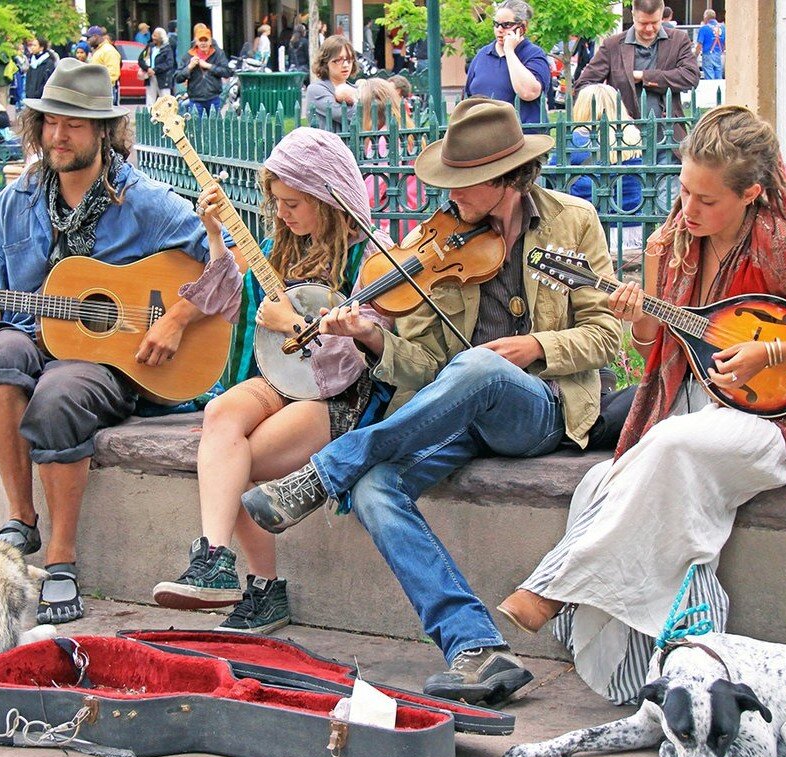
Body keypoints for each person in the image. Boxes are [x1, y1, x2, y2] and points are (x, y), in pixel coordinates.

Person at [240, 98, 621, 704]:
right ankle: (475, 646)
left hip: (544, 409)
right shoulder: (431, 243)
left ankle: (324, 472)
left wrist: (535, 345)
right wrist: (369, 336)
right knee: (373, 488)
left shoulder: (573, 222)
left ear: (503, 179)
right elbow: (421, 368)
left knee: (479, 365)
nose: (449, 198)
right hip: (457, 413)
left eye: (462, 185)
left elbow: (610, 335)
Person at [500, 106, 786, 705]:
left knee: (670, 447)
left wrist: (768, 350)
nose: (690, 209)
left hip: (775, 418)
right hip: (692, 404)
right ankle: (644, 674)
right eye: (684, 190)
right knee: (601, 481)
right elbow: (655, 343)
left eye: (707, 200)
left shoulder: (782, 245)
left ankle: (557, 585)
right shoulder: (670, 242)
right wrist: (640, 315)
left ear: (751, 193)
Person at [0, 59, 215, 624]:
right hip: (31, 338)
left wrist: (175, 319)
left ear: (103, 132)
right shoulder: (13, 205)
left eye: (73, 124)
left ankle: (62, 561)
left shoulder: (141, 199)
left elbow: (224, 266)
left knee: (60, 392)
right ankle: (20, 522)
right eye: (49, 122)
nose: (58, 136)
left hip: (111, 359)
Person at [151, 128, 395, 633]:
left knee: (238, 464)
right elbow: (221, 298)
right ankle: (215, 560)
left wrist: (292, 324)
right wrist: (216, 235)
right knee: (220, 416)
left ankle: (265, 589)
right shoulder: (277, 249)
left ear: (330, 200)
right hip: (279, 379)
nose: (282, 214)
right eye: (276, 202)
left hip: (341, 396)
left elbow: (360, 355)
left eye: (294, 204)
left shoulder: (368, 258)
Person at [575, 0, 699, 159]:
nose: (649, 28)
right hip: (624, 144)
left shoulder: (678, 40)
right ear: (633, 16)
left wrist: (644, 76)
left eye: (655, 22)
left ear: (662, 15)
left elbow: (691, 76)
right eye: (643, 23)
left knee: (668, 183)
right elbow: (583, 86)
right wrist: (608, 104)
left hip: (668, 140)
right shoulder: (613, 45)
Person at [556, 83, 643, 252]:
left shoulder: (575, 140)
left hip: (591, 232)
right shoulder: (636, 137)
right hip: (634, 229)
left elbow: (552, 178)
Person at [464, 0, 550, 127]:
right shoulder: (483, 55)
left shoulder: (533, 54)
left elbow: (528, 93)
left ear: (522, 27)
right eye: (496, 24)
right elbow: (467, 96)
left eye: (506, 25)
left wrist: (509, 51)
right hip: (483, 136)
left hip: (523, 138)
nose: (499, 30)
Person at [359, 78, 422, 238]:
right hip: (412, 214)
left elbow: (373, 191)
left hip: (391, 222)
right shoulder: (407, 130)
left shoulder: (384, 139)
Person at [175, 25, 231, 116]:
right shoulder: (188, 56)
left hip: (214, 98)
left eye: (206, 40)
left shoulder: (218, 54)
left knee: (214, 127)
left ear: (210, 41)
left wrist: (209, 66)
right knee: (197, 128)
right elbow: (178, 78)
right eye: (201, 40)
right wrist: (189, 67)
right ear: (196, 42)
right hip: (195, 99)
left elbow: (227, 72)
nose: (203, 43)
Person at [306, 35, 358, 131]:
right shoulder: (316, 89)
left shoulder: (355, 88)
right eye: (338, 60)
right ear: (325, 62)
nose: (346, 65)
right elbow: (341, 114)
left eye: (349, 59)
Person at [138, 26, 175, 106]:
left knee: (165, 100)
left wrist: (155, 70)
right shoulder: (150, 47)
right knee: (150, 100)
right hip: (150, 77)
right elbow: (141, 59)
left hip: (163, 78)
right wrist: (147, 69)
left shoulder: (167, 49)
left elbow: (169, 64)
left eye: (155, 36)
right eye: (153, 35)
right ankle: (150, 116)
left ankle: (166, 117)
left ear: (161, 37)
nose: (153, 37)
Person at [86, 25, 122, 104]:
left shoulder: (108, 50)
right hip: (96, 90)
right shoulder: (98, 50)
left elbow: (113, 74)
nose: (87, 41)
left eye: (88, 38)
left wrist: (99, 84)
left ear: (95, 36)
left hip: (105, 92)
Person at [695, 9, 726, 80]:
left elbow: (699, 45)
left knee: (709, 78)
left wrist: (695, 56)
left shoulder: (704, 28)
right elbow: (725, 43)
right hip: (719, 55)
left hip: (708, 55)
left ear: (706, 17)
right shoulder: (723, 28)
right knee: (719, 76)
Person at [25, 36, 57, 100]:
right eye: (31, 45)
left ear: (41, 48)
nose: (32, 47)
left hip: (41, 98)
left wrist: (38, 94)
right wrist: (28, 92)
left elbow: (47, 81)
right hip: (30, 96)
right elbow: (28, 79)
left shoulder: (48, 62)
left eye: (34, 45)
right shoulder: (32, 61)